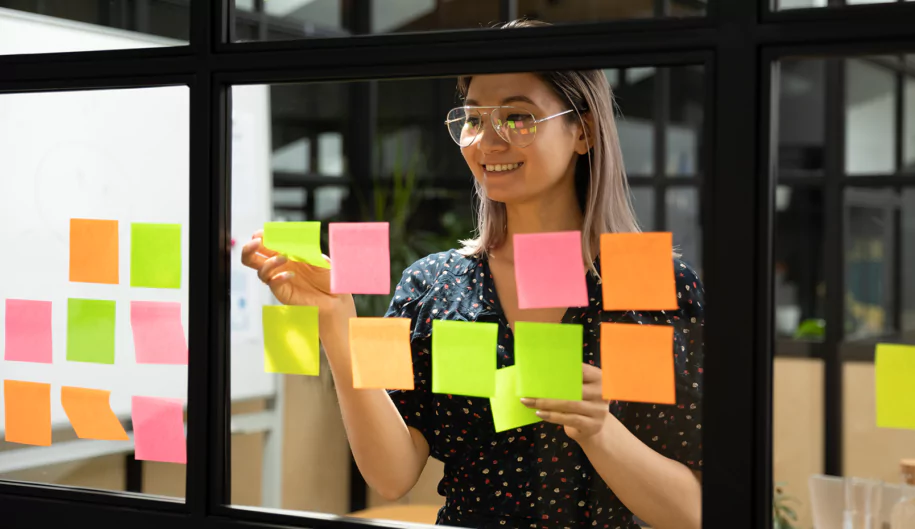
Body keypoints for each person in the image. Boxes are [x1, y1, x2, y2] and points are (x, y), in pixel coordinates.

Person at [241, 19, 704, 529]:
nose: (488, 140)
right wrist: (335, 320)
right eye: (474, 118)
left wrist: (597, 429)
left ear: (585, 129)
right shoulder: (432, 287)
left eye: (519, 117)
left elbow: (693, 512)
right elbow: (392, 475)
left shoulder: (652, 285)